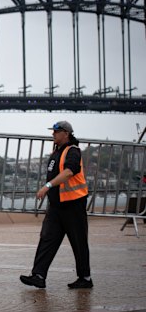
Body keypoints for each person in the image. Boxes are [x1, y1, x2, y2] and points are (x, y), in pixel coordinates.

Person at [20, 121, 92, 289]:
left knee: (78, 241)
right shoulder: (56, 152)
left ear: (66, 133)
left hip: (73, 204)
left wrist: (47, 186)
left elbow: (68, 172)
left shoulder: (72, 151)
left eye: (56, 131)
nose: (53, 134)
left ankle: (85, 278)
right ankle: (38, 275)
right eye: (53, 131)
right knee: (47, 239)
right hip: (56, 205)